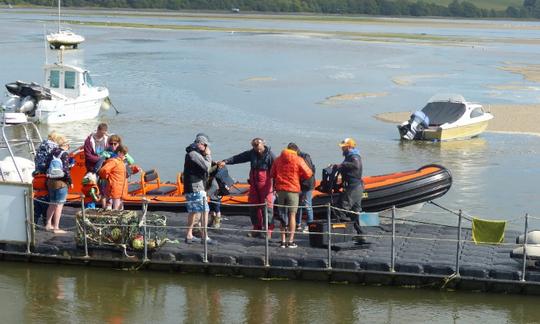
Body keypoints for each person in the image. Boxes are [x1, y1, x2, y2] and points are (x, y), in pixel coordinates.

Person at [217, 138, 275, 237]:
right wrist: (225, 161)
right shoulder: (252, 153)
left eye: (259, 146)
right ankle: (256, 228)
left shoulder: (271, 156)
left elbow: (276, 171)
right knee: (253, 206)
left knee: (267, 207)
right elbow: (239, 158)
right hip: (254, 184)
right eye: (255, 147)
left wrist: (276, 187)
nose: (257, 149)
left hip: (266, 185)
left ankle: (268, 230)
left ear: (263, 144)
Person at [270, 143, 313, 248]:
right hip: (293, 190)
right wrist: (298, 175)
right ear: (296, 150)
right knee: (292, 215)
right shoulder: (298, 159)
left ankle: (283, 240)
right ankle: (291, 241)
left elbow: (272, 174)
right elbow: (308, 173)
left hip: (281, 190)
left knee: (282, 215)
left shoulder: (278, 159)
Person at [184, 135, 215, 244]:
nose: (206, 148)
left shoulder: (192, 153)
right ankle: (204, 236)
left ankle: (189, 235)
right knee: (205, 210)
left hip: (191, 186)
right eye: (205, 145)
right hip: (195, 186)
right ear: (200, 144)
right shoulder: (194, 154)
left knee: (193, 212)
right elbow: (207, 167)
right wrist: (208, 155)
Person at [334, 137, 365, 244]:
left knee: (340, 208)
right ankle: (360, 234)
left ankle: (343, 233)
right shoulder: (349, 156)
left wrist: (342, 165)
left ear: (349, 147)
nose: (342, 149)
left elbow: (356, 166)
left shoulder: (354, 156)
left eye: (344, 147)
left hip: (354, 187)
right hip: (355, 186)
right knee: (355, 212)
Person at [45, 135, 71, 234]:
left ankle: (48, 224)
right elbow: (66, 170)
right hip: (60, 183)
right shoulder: (64, 154)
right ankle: (56, 227)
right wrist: (70, 182)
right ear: (66, 145)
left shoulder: (52, 152)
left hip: (50, 181)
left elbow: (46, 166)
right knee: (59, 205)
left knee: (52, 203)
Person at [289, 144, 315, 233]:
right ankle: (298, 224)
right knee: (298, 205)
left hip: (307, 184)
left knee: (307, 205)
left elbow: (309, 171)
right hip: (299, 184)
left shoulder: (304, 157)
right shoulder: (297, 157)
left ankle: (310, 225)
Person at [98, 144, 129, 210]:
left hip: (121, 189)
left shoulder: (121, 162)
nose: (124, 156)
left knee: (120, 207)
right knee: (116, 208)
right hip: (115, 188)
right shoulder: (114, 161)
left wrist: (134, 169)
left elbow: (123, 174)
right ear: (119, 153)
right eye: (123, 154)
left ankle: (118, 218)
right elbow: (103, 170)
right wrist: (107, 178)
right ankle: (114, 218)